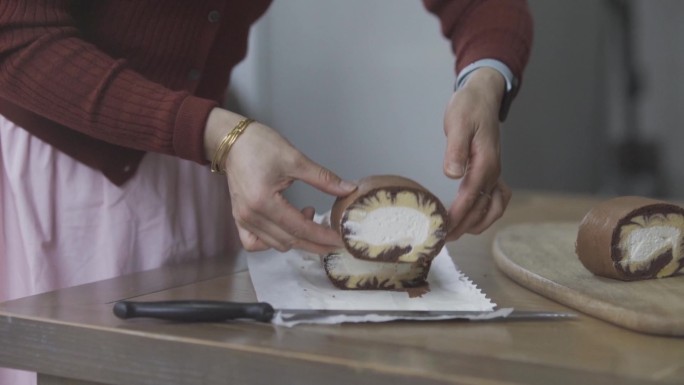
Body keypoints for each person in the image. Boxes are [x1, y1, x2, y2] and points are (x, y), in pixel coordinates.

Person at [0, 1, 532, 383]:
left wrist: (484, 79)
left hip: (203, 168)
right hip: (59, 172)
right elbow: (16, 35)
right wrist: (223, 137)